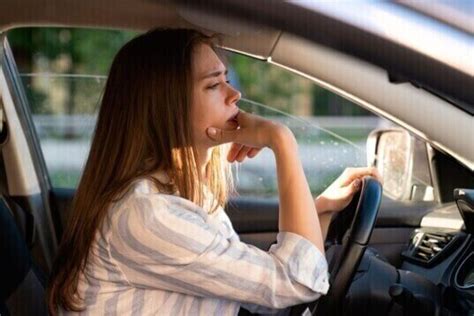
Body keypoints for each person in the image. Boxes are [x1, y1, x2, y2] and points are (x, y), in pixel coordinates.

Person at [47, 28, 381, 315]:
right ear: (167, 107)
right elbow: (296, 283)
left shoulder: (179, 194)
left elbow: (264, 295)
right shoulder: (149, 214)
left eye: (226, 79)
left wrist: (317, 209)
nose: (235, 94)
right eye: (213, 85)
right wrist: (282, 142)